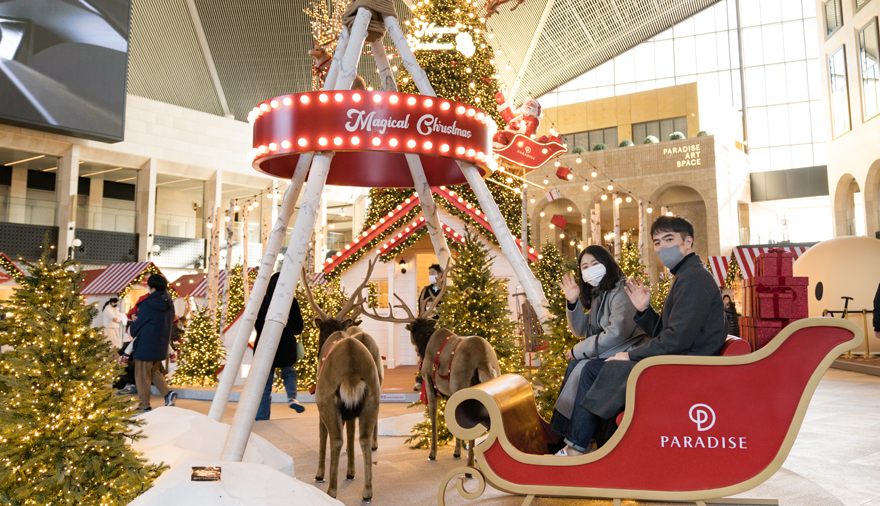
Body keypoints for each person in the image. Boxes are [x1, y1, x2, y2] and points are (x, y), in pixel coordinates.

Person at [556, 216, 727, 456]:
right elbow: (668, 332)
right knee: (594, 368)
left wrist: (630, 355)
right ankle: (582, 441)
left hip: (685, 365)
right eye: (657, 242)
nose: (662, 247)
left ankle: (577, 447)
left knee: (594, 370)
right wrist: (644, 310)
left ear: (688, 242)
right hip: (678, 358)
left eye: (669, 239)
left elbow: (676, 340)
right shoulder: (686, 275)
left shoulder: (693, 279)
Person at [552, 245, 647, 451]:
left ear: (607, 263)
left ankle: (575, 443)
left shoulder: (621, 290)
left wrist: (578, 350)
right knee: (575, 366)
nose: (590, 269)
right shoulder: (600, 294)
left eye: (595, 264)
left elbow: (617, 333)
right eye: (585, 267)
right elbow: (581, 330)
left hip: (627, 353)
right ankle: (561, 436)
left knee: (584, 368)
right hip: (611, 351)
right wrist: (572, 301)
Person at [254, 272, 305, 420]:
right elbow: (297, 328)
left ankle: (262, 418)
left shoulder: (264, 300)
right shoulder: (291, 301)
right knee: (289, 373)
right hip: (285, 346)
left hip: (264, 347)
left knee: (264, 384)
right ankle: (292, 398)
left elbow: (258, 325)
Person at [130, 274, 178, 413]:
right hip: (161, 343)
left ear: (152, 288)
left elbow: (139, 322)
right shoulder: (169, 301)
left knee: (142, 375)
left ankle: (144, 405)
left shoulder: (148, 303)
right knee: (154, 371)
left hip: (145, 343)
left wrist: (133, 328)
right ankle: (168, 394)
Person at [414, 263, 444, 391]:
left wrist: (435, 308)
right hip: (427, 327)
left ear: (440, 274)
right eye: (429, 273)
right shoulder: (426, 290)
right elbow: (421, 306)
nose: (430, 275)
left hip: (442, 326)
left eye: (432, 273)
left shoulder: (446, 290)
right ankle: (421, 380)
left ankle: (439, 380)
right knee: (424, 354)